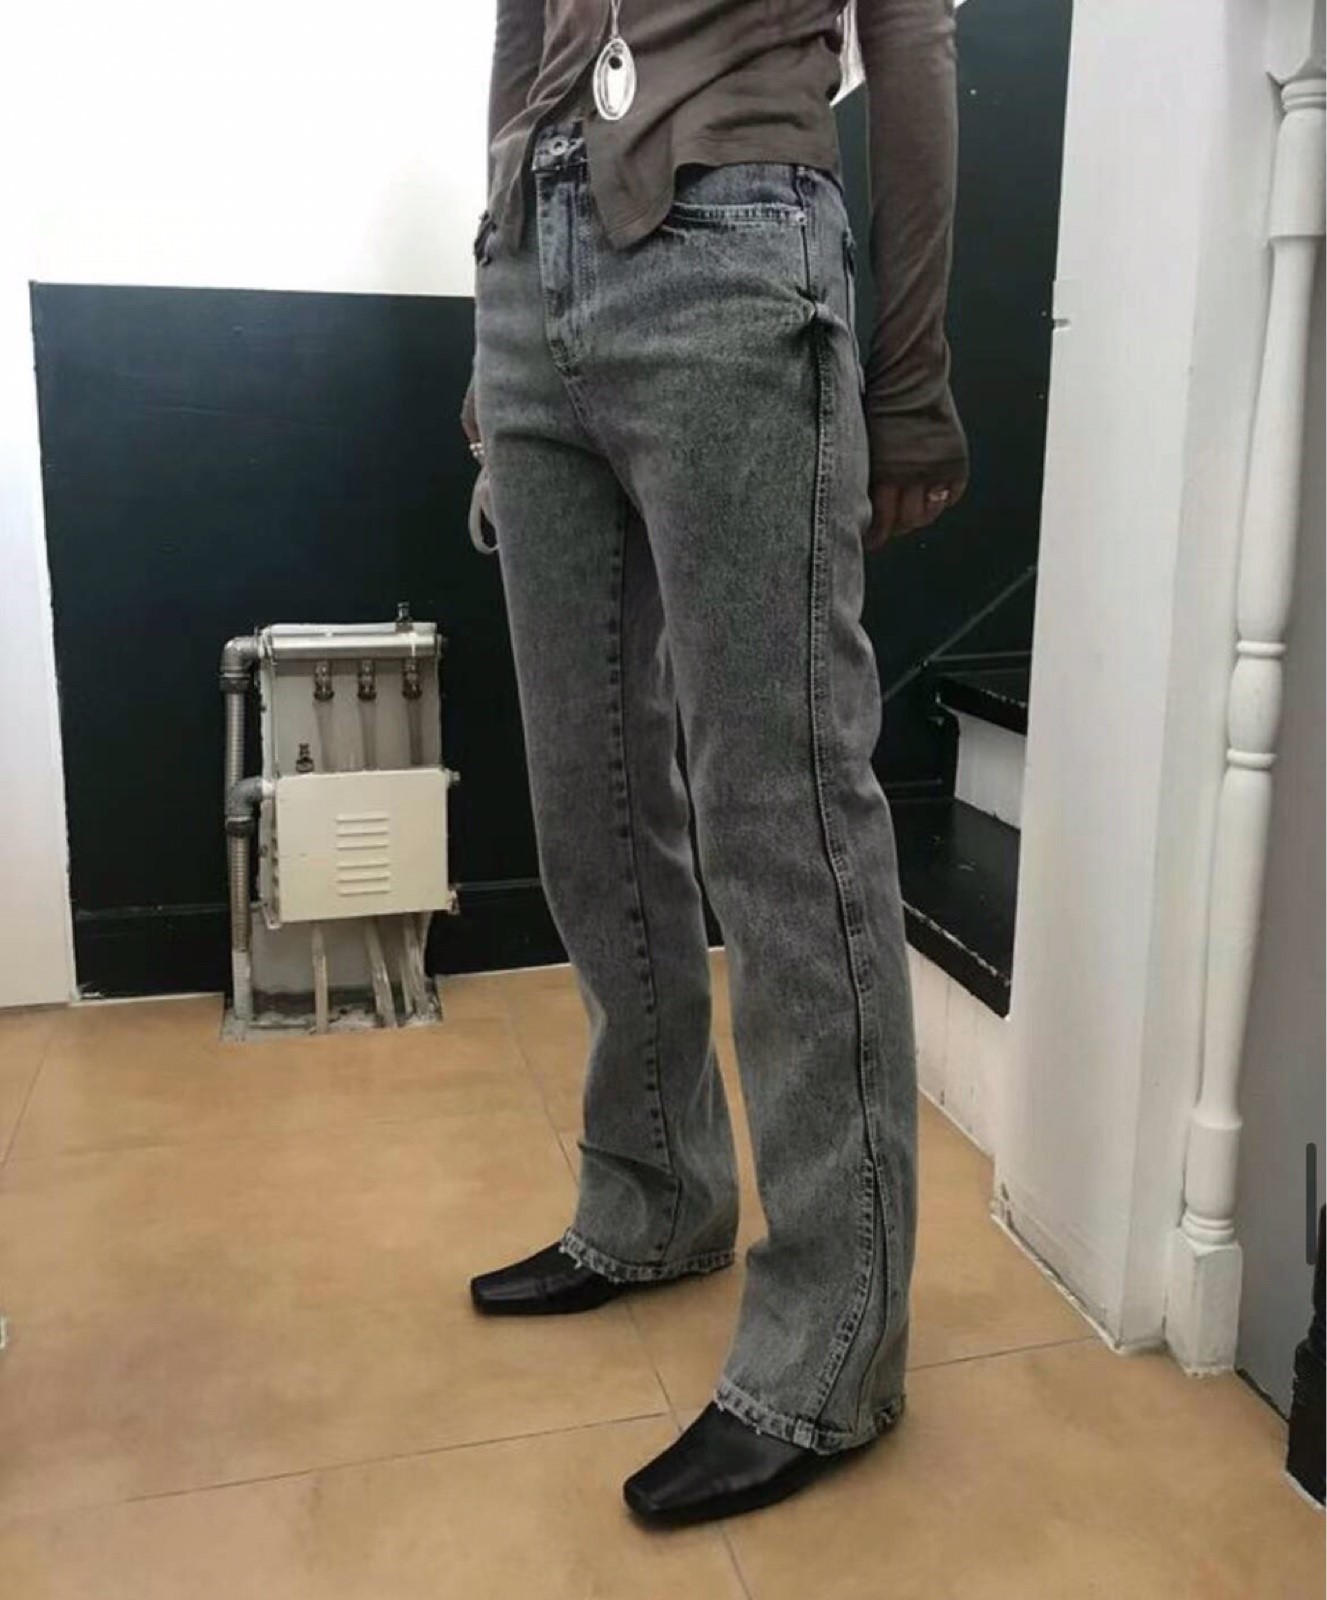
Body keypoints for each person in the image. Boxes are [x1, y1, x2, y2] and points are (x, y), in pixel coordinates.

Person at [462, 0, 967, 1526]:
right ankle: (652, 1195)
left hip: (735, 238)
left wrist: (910, 371)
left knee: (782, 811)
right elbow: (520, 33)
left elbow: (914, 35)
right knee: (586, 797)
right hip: (531, 273)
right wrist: (495, 281)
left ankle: (832, 1344)